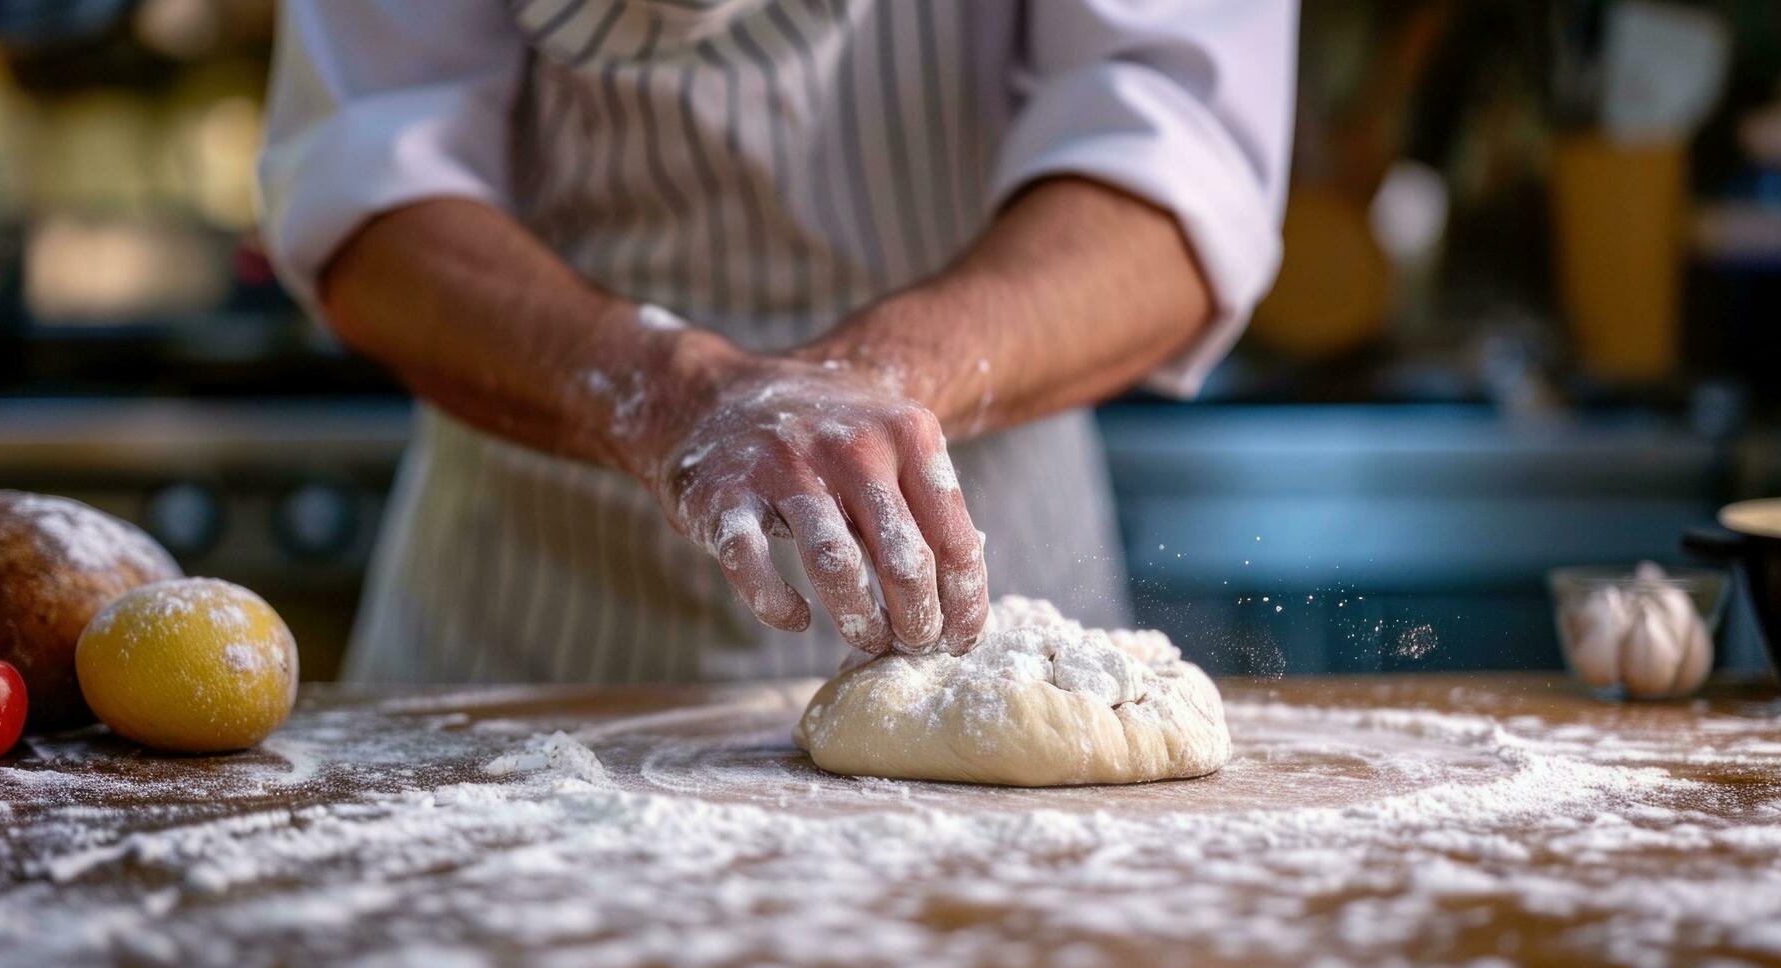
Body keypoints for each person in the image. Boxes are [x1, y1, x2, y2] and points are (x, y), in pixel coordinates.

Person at [259, 0, 1295, 683]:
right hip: (536, 592)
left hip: (977, 562)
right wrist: (669, 395)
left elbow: (1175, 158)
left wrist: (882, 379)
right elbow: (371, 176)